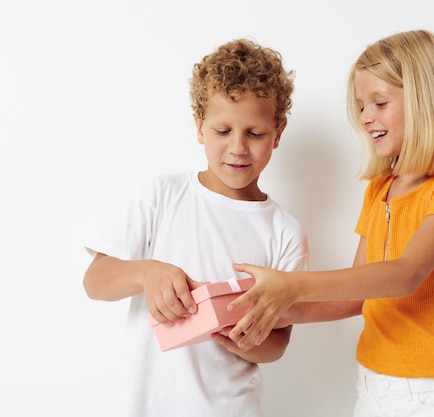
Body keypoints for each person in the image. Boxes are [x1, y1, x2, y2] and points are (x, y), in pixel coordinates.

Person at [227, 30, 434, 417]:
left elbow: (406, 275)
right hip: (372, 387)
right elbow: (354, 295)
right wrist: (264, 311)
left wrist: (290, 285)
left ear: (425, 101)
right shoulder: (380, 188)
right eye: (361, 106)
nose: (366, 117)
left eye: (380, 103)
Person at [82, 38, 309, 417]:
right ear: (199, 127)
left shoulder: (285, 231)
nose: (238, 147)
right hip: (144, 405)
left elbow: (278, 343)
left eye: (255, 134)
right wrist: (146, 272)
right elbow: (95, 281)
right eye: (222, 131)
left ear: (278, 133)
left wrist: (237, 335)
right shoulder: (162, 195)